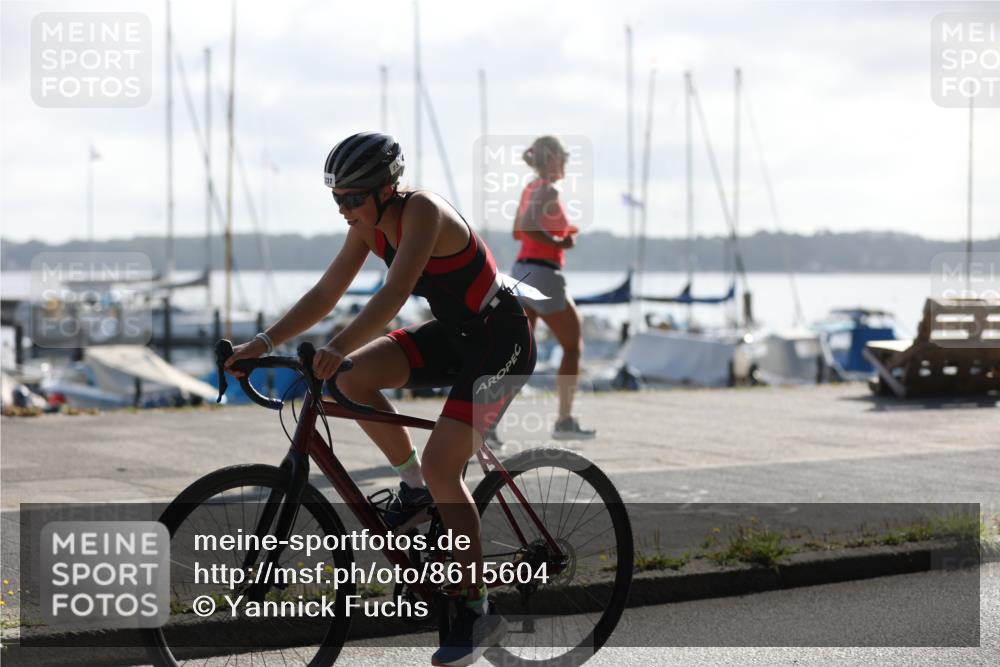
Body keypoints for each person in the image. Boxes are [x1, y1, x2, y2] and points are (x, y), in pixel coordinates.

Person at [225, 132, 535, 666]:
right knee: (351, 380)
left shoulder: (424, 212)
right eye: (337, 198)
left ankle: (476, 607)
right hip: (456, 333)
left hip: (500, 341)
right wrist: (263, 343)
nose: (343, 209)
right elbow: (326, 293)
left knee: (444, 467)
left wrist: (337, 347)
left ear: (386, 190)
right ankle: (414, 488)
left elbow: (393, 293)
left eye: (352, 198)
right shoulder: (366, 227)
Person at [489, 135, 594, 444]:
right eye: (564, 156)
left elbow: (517, 231)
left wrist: (550, 233)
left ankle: (486, 424)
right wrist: (560, 241)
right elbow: (528, 226)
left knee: (520, 354)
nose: (566, 162)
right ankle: (564, 420)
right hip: (543, 274)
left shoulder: (530, 188)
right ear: (551, 158)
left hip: (522, 271)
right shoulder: (549, 188)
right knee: (573, 346)